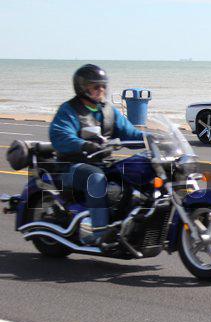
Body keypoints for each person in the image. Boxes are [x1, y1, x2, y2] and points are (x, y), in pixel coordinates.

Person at [49, 64, 144, 245]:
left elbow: (130, 133)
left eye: (103, 86)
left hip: (103, 163)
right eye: (95, 86)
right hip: (71, 166)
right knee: (95, 177)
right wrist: (83, 144)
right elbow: (60, 134)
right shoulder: (69, 110)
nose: (101, 90)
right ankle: (99, 232)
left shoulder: (108, 110)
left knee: (137, 170)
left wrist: (153, 138)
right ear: (82, 88)